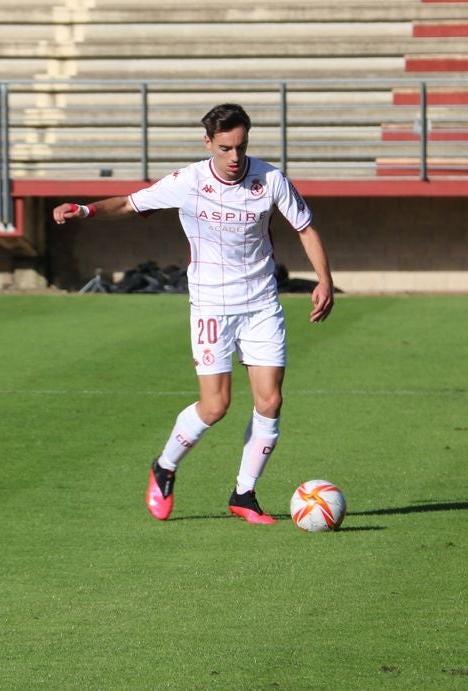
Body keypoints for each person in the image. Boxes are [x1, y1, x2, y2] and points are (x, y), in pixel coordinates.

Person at [52, 103, 335, 524]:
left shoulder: (270, 178)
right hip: (211, 307)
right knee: (216, 405)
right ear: (209, 144)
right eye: (225, 148)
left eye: (241, 147)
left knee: (270, 400)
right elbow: (129, 204)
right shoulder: (188, 182)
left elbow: (306, 229)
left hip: (261, 304)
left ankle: (244, 494)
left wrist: (324, 279)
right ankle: (164, 466)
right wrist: (86, 210)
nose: (235, 157)